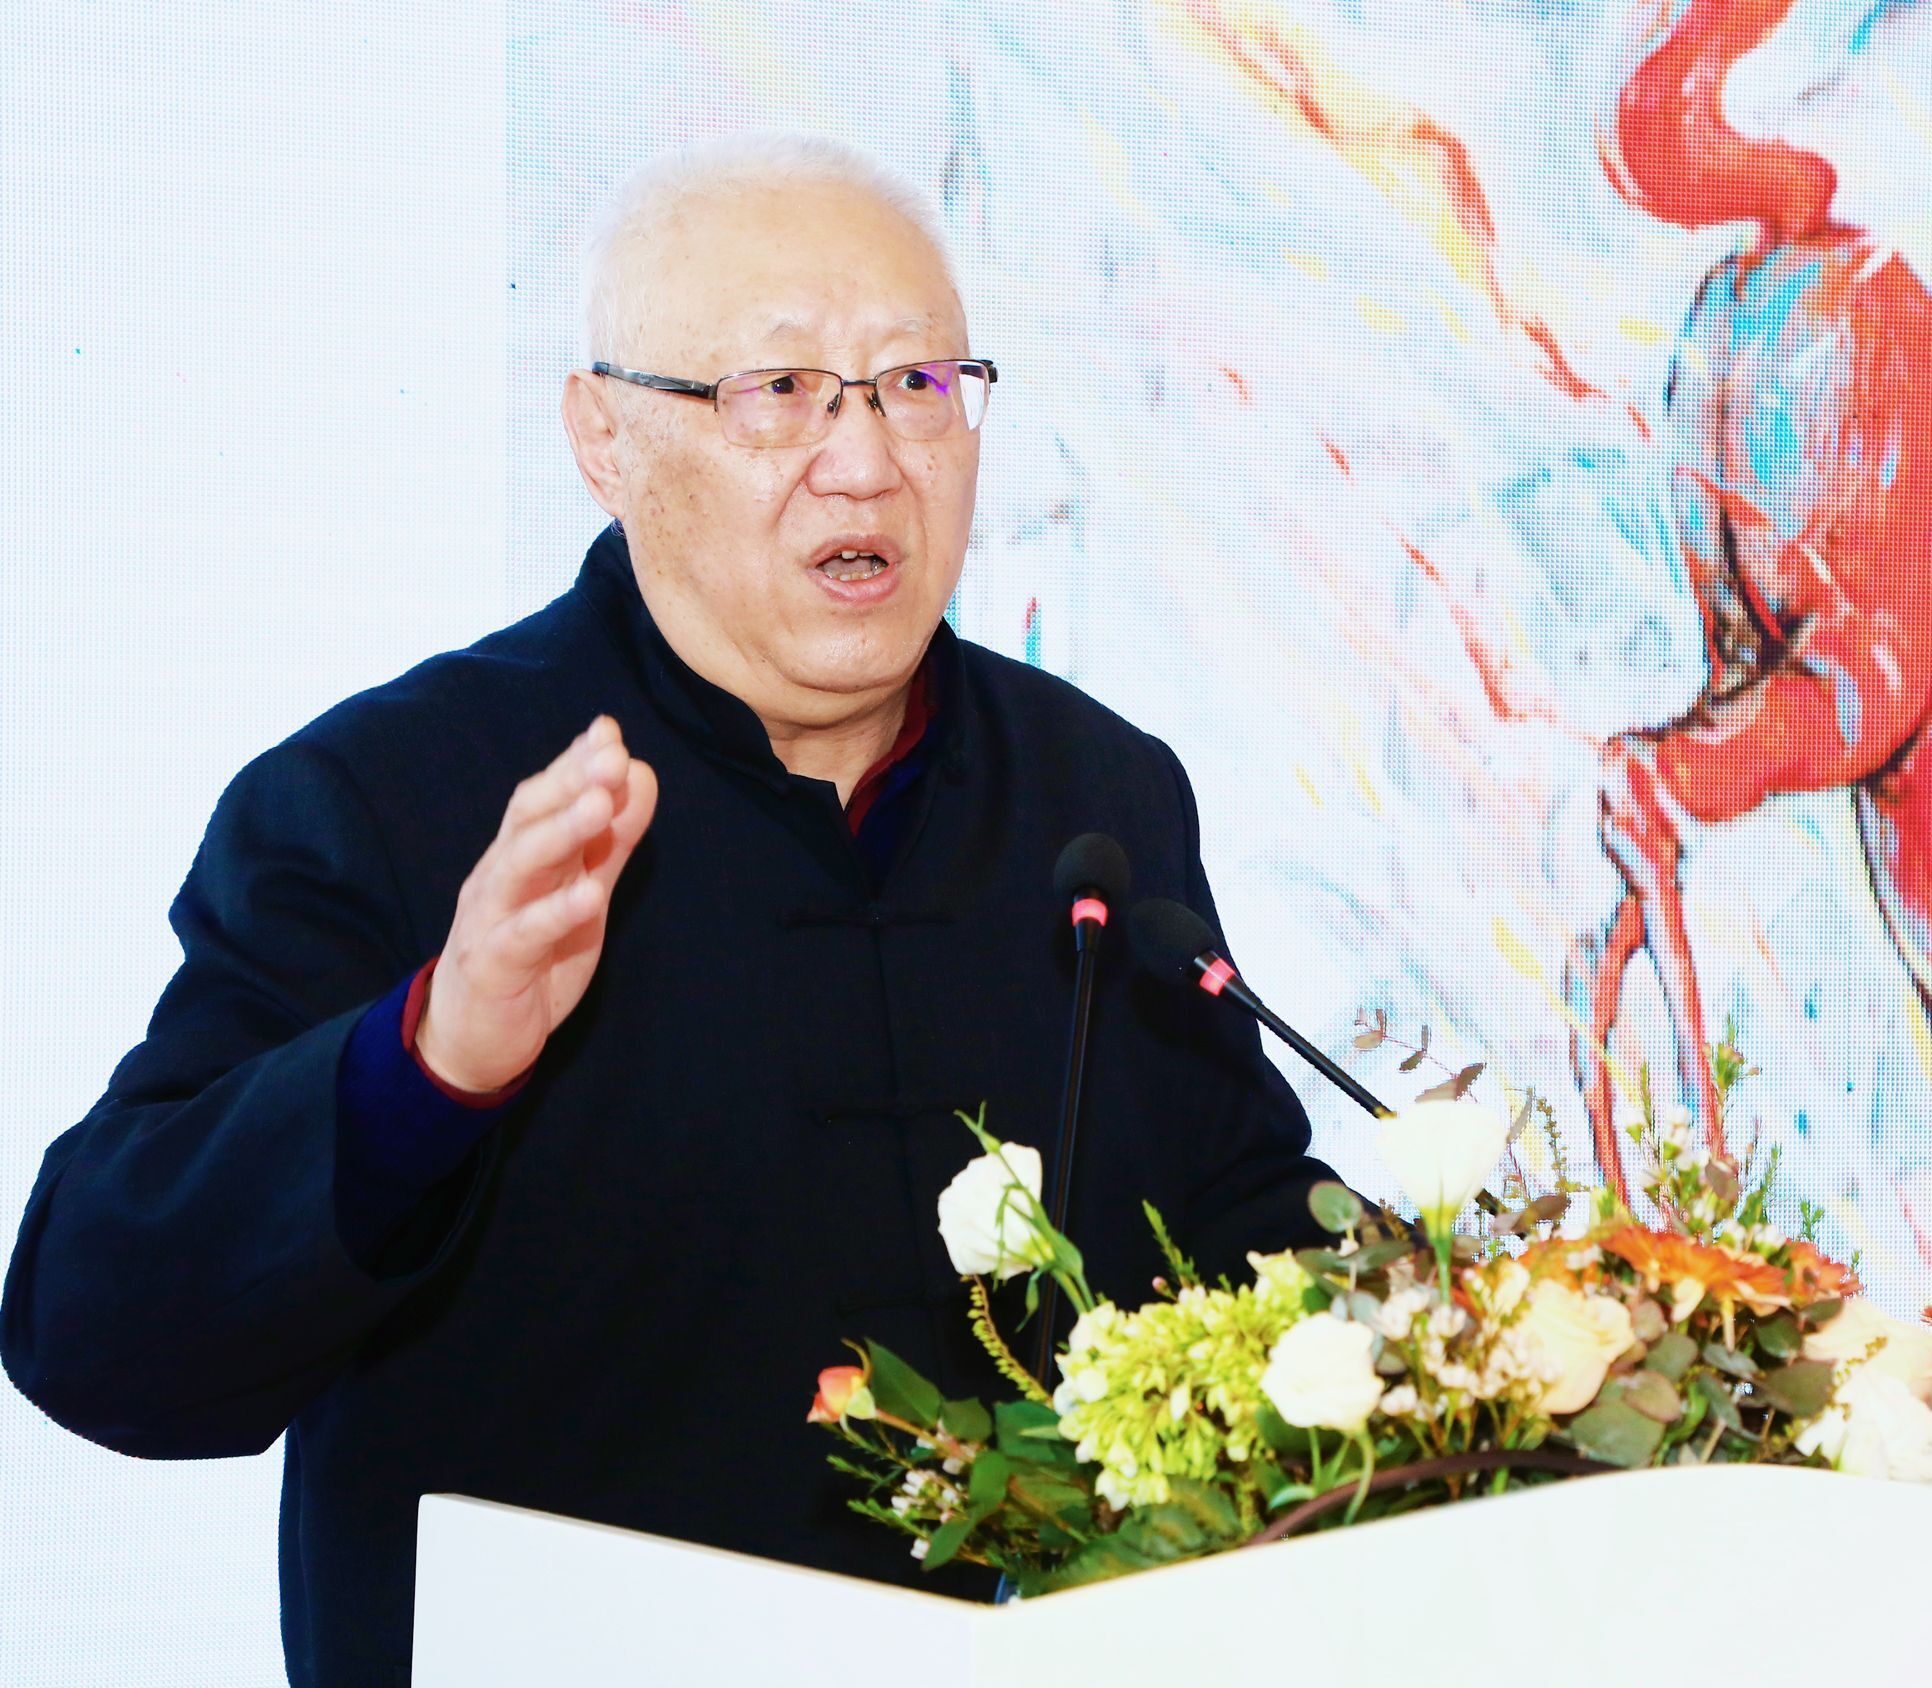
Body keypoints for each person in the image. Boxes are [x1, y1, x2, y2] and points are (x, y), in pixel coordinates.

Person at [2, 133, 1337, 1685]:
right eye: (781, 391)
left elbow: (1239, 1239)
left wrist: (1489, 1325)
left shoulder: (1096, 793)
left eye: (918, 385)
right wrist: (428, 1064)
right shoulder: (391, 799)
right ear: (604, 436)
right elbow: (100, 1336)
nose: (867, 462)